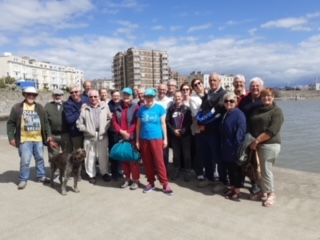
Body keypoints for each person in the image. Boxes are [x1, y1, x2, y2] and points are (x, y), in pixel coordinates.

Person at [7, 87, 56, 190]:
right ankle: (23, 179)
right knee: (25, 160)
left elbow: (46, 123)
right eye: (29, 94)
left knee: (40, 158)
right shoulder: (17, 108)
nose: (31, 96)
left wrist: (49, 135)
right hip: (24, 139)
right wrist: (11, 137)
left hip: (38, 138)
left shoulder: (40, 108)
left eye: (33, 95)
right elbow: (10, 123)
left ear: (35, 96)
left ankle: (41, 176)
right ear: (24, 95)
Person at [248, 88, 284, 207]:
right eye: (263, 96)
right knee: (260, 170)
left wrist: (257, 140)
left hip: (270, 144)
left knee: (266, 170)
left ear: (273, 97)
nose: (266, 98)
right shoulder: (257, 110)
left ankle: (271, 194)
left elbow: (272, 130)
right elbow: (251, 124)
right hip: (257, 144)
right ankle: (263, 192)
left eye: (269, 96)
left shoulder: (276, 111)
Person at [136, 88, 173, 196]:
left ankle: (165, 183)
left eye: (151, 97)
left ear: (153, 97)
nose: (149, 99)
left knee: (159, 161)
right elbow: (138, 126)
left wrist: (165, 139)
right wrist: (138, 140)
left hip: (157, 138)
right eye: (147, 97)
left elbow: (163, 124)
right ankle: (151, 182)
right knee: (147, 162)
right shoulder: (141, 110)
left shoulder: (160, 109)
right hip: (144, 138)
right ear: (144, 98)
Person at [197, 73, 228, 193]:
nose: (212, 82)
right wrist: (199, 123)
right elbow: (202, 109)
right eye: (210, 80)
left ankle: (223, 181)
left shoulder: (223, 94)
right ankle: (209, 178)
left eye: (214, 80)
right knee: (206, 156)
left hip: (215, 132)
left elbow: (217, 113)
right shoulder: (208, 94)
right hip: (204, 131)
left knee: (218, 157)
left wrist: (204, 123)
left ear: (219, 81)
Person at [77, 90, 111, 184]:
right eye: (91, 97)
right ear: (89, 98)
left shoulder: (105, 106)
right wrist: (87, 130)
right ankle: (91, 174)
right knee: (90, 156)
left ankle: (104, 172)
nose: (93, 98)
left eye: (95, 96)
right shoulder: (85, 109)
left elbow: (109, 118)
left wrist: (105, 128)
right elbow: (79, 123)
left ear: (99, 97)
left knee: (103, 155)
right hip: (89, 136)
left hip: (102, 134)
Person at [238, 77, 264, 194]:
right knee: (244, 158)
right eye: (252, 86)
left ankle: (255, 183)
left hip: (259, 134)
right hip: (246, 133)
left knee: (255, 161)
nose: (255, 88)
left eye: (257, 85)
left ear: (261, 87)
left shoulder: (264, 99)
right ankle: (242, 178)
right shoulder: (245, 100)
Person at [219, 92, 246, 201]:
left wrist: (236, 146)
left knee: (236, 170)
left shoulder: (239, 114)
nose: (229, 103)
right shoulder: (226, 113)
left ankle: (238, 191)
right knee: (230, 169)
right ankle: (233, 187)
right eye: (226, 101)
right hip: (226, 146)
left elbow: (241, 131)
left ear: (236, 102)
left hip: (234, 147)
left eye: (231, 101)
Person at [112, 88, 140, 190]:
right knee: (124, 159)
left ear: (132, 96)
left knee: (133, 159)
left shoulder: (136, 107)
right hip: (121, 137)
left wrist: (128, 133)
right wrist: (121, 132)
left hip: (131, 137)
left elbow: (136, 122)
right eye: (124, 94)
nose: (126, 96)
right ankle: (127, 179)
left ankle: (136, 180)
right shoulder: (118, 107)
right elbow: (114, 122)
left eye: (128, 95)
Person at [166, 91, 193, 182]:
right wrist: (173, 131)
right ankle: (176, 169)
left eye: (179, 97)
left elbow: (190, 122)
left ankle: (188, 171)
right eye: (176, 97)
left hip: (185, 135)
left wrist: (183, 130)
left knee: (186, 154)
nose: (177, 98)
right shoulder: (171, 109)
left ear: (182, 97)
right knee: (176, 154)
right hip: (174, 135)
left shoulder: (187, 108)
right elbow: (168, 121)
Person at [45, 89, 72, 161]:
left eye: (59, 95)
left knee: (67, 156)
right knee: (53, 157)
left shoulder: (67, 105)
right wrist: (49, 135)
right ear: (53, 96)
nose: (57, 97)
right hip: (53, 135)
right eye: (56, 95)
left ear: (62, 96)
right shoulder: (48, 106)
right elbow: (46, 122)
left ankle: (66, 172)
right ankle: (53, 171)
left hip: (65, 134)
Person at [190, 78, 206, 181]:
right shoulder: (193, 99)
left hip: (211, 128)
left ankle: (211, 170)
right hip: (199, 128)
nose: (198, 86)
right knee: (200, 151)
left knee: (209, 151)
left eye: (199, 83)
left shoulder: (210, 95)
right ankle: (199, 171)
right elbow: (195, 114)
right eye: (195, 85)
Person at [64, 86, 87, 150]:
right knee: (79, 153)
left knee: (89, 152)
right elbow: (69, 120)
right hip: (76, 133)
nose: (74, 94)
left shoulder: (86, 100)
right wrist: (80, 111)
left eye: (76, 92)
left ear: (80, 92)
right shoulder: (67, 104)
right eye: (72, 92)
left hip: (88, 131)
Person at [108, 90, 124, 180]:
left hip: (121, 131)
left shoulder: (123, 105)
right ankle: (114, 171)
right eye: (114, 96)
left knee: (120, 152)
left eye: (117, 96)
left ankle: (120, 170)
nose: (116, 97)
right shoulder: (108, 105)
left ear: (120, 96)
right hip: (112, 132)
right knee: (113, 151)